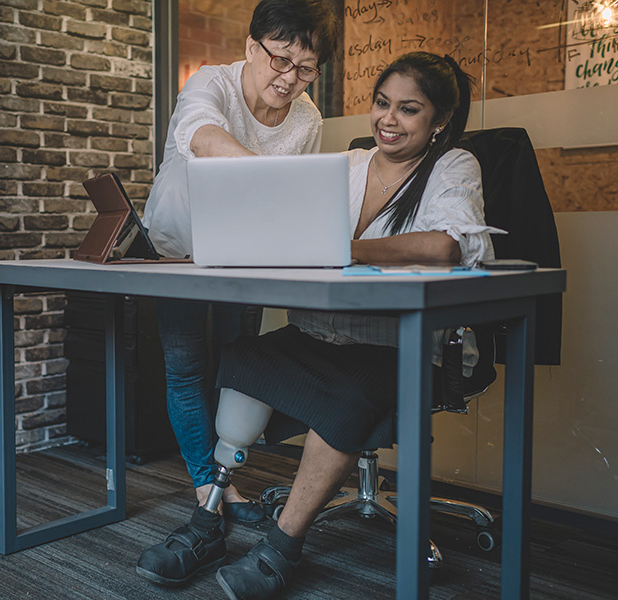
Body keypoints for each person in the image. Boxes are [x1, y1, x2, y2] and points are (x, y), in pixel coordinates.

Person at [137, 51, 503, 599]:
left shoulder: (453, 166)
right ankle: (209, 519)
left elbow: (445, 243)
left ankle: (282, 548)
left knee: (343, 396)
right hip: (321, 333)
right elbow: (294, 230)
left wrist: (344, 247)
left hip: (391, 343)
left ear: (439, 121)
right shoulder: (349, 165)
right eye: (382, 104)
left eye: (408, 109)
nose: (388, 119)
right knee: (244, 360)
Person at [141, 0, 340, 526]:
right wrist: (267, 177)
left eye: (305, 68)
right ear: (252, 47)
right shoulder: (211, 84)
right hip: (178, 248)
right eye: (280, 60)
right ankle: (206, 484)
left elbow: (295, 201)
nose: (290, 78)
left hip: (246, 255)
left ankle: (225, 478)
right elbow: (202, 136)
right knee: (186, 368)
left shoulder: (307, 119)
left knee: (238, 368)